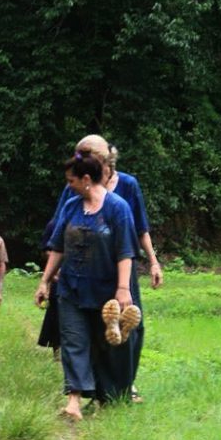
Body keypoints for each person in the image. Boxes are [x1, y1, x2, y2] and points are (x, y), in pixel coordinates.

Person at [50, 135, 162, 402]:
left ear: (103, 159)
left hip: (120, 271)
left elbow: (140, 229)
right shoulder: (74, 187)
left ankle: (125, 385)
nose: (80, 160)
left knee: (128, 329)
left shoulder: (128, 186)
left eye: (85, 155)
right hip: (84, 271)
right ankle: (89, 390)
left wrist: (153, 262)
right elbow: (61, 226)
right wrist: (54, 268)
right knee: (86, 329)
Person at [34, 151, 140, 421]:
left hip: (105, 291)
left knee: (104, 343)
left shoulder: (117, 208)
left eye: (71, 180)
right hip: (71, 288)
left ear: (86, 179)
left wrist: (123, 289)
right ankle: (74, 401)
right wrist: (45, 281)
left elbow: (125, 251)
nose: (68, 185)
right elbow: (57, 247)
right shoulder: (71, 206)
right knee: (73, 341)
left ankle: (106, 396)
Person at [35, 219, 61, 361]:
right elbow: (46, 249)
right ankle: (57, 352)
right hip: (58, 274)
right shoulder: (55, 224)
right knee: (56, 312)